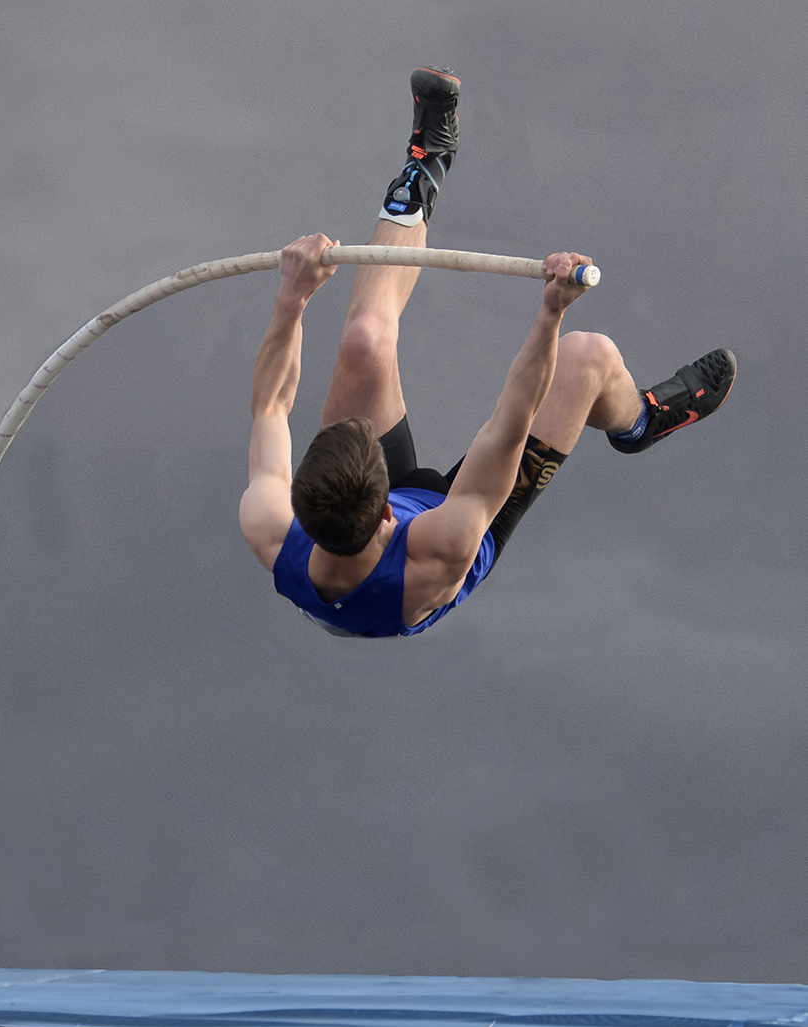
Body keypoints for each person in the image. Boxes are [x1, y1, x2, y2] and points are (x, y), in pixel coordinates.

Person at [238, 68, 736, 638]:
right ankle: (642, 421)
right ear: (387, 510)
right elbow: (509, 424)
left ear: (298, 501)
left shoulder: (269, 525)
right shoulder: (440, 551)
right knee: (589, 356)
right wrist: (552, 311)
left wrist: (292, 297)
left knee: (363, 343)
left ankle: (426, 163)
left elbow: (271, 406)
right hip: (443, 532)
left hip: (351, 534)